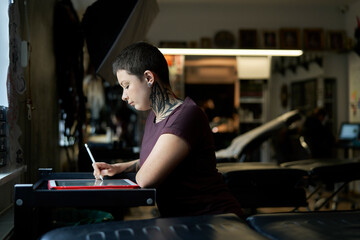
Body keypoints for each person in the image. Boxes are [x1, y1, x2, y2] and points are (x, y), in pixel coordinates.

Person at [92, 42, 242, 218]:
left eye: (126, 86)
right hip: (182, 220)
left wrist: (129, 171)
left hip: (213, 220)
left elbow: (145, 179)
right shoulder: (154, 117)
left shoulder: (185, 116)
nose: (124, 96)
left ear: (148, 77)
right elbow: (155, 160)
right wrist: (118, 167)